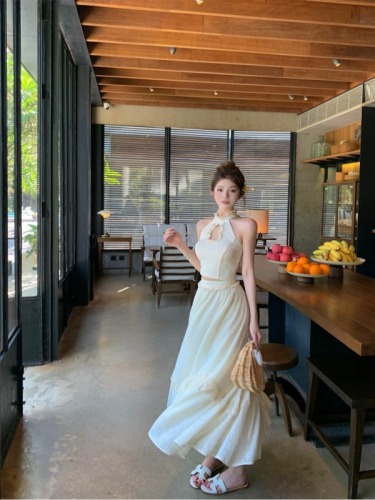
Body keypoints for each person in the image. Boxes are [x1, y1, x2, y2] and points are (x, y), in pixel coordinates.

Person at [148, 160, 271, 495]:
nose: (225, 195)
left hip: (230, 304)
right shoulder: (203, 224)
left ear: (239, 193)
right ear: (212, 192)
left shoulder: (246, 225)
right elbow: (203, 268)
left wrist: (253, 320)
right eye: (220, 190)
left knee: (230, 378)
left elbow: (246, 272)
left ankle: (238, 469)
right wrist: (181, 246)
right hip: (203, 304)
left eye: (232, 190)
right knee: (202, 373)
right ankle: (219, 452)